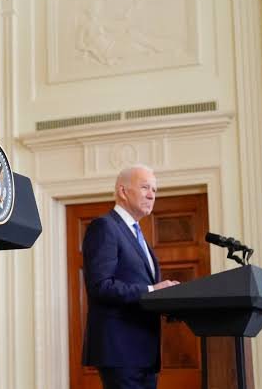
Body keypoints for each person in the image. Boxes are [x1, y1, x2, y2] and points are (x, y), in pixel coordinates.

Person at [82, 164, 179, 389]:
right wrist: (152, 291)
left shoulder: (137, 234)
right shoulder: (105, 227)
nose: (151, 195)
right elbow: (100, 286)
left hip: (144, 352)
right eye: (145, 187)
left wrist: (170, 301)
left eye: (155, 190)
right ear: (123, 191)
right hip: (120, 350)